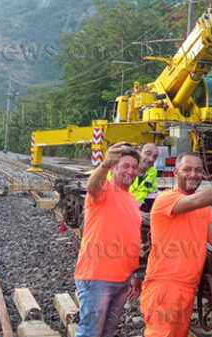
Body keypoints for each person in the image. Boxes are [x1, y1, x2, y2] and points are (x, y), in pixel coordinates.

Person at [141, 152, 212, 336]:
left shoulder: (203, 206)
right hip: (165, 287)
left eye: (198, 170)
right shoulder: (166, 199)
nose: (193, 174)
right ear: (175, 173)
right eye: (187, 169)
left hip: (187, 288)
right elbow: (196, 199)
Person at [73, 142, 142, 337]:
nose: (130, 171)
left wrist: (134, 274)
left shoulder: (130, 199)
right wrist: (104, 164)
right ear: (113, 168)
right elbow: (91, 186)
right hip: (97, 279)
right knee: (90, 332)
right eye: (125, 166)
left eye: (134, 167)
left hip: (122, 280)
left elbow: (132, 238)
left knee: (107, 332)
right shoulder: (103, 191)